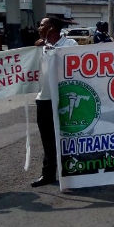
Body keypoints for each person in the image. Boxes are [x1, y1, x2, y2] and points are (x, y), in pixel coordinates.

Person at [32, 16, 78, 187]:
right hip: (43, 98)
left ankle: (74, 172)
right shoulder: (38, 46)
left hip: (64, 98)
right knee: (47, 139)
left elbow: (70, 64)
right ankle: (48, 174)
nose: (39, 28)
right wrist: (41, 45)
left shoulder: (70, 44)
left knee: (68, 137)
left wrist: (50, 48)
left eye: (42, 25)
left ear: (51, 28)